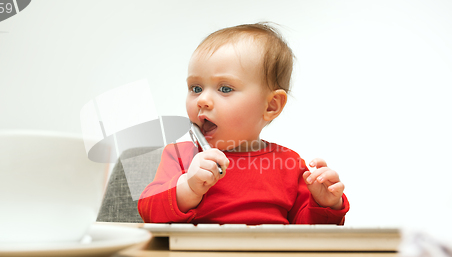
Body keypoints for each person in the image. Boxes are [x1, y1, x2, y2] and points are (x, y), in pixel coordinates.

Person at [137, 22, 349, 224]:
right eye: (196, 88)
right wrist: (188, 187)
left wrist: (325, 204)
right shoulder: (179, 156)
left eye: (225, 89)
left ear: (271, 106)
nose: (202, 100)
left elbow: (306, 233)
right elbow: (148, 211)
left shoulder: (291, 164)